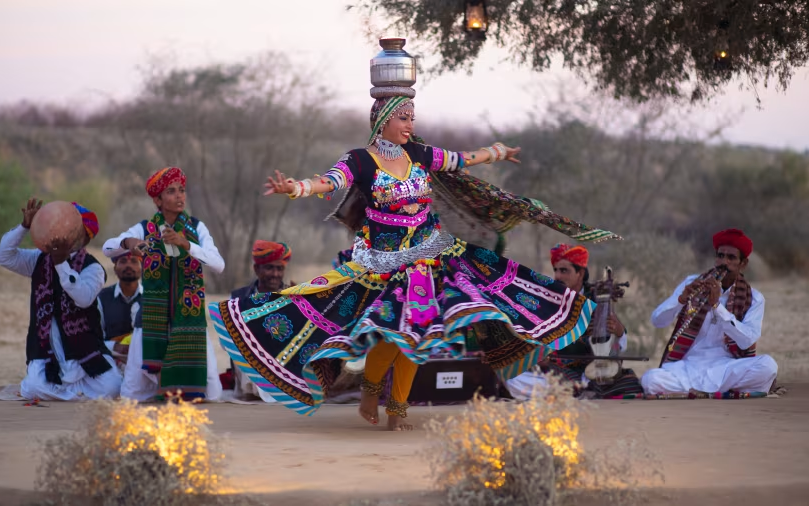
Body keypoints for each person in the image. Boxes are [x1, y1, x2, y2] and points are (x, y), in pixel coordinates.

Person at [209, 39, 621, 430]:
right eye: (403, 118)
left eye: (412, 118)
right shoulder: (361, 160)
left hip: (430, 256)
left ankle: (396, 408)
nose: (410, 125)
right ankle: (372, 393)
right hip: (383, 263)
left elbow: (461, 160)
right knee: (393, 334)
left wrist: (495, 152)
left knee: (417, 337)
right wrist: (296, 187)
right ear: (383, 121)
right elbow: (329, 182)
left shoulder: (420, 156)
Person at [103, 167, 225, 401]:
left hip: (189, 318)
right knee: (132, 395)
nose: (180, 196)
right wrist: (129, 242)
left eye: (182, 190)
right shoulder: (144, 229)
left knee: (212, 393)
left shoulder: (196, 229)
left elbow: (219, 265)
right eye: (171, 192)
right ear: (158, 200)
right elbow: (109, 247)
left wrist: (186, 244)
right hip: (151, 320)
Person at [0, 199, 121, 401]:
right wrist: (24, 227)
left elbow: (83, 299)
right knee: (32, 388)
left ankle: (64, 394)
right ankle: (76, 394)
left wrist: (61, 264)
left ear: (83, 238)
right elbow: (3, 256)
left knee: (113, 387)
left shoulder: (93, 268)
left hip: (85, 350)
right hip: (46, 350)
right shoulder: (38, 259)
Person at [641, 229, 777, 395]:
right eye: (720, 256)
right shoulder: (693, 282)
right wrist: (681, 300)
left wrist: (717, 307)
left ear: (743, 264)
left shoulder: (754, 298)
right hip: (688, 367)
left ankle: (695, 392)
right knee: (650, 380)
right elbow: (657, 320)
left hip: (726, 368)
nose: (723, 262)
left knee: (768, 366)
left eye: (731, 258)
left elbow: (747, 340)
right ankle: (721, 392)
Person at [505, 244, 643, 399]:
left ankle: (572, 391)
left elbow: (616, 347)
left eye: (564, 271)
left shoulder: (597, 299)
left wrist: (619, 330)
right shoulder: (547, 298)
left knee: (630, 382)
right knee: (512, 378)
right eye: (556, 270)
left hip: (589, 372)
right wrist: (538, 354)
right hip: (556, 370)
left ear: (580, 273)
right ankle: (574, 391)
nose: (557, 276)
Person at [226, 240, 294, 403]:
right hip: (251, 358)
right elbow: (228, 339)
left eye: (280, 269)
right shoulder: (238, 298)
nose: (275, 274)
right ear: (257, 269)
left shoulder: (292, 295)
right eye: (270, 268)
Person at [96, 251, 143, 362]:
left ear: (142, 269)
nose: (128, 265)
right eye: (123, 261)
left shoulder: (151, 298)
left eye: (134, 261)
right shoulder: (101, 297)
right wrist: (114, 346)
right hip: (109, 360)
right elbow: (93, 338)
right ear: (115, 269)